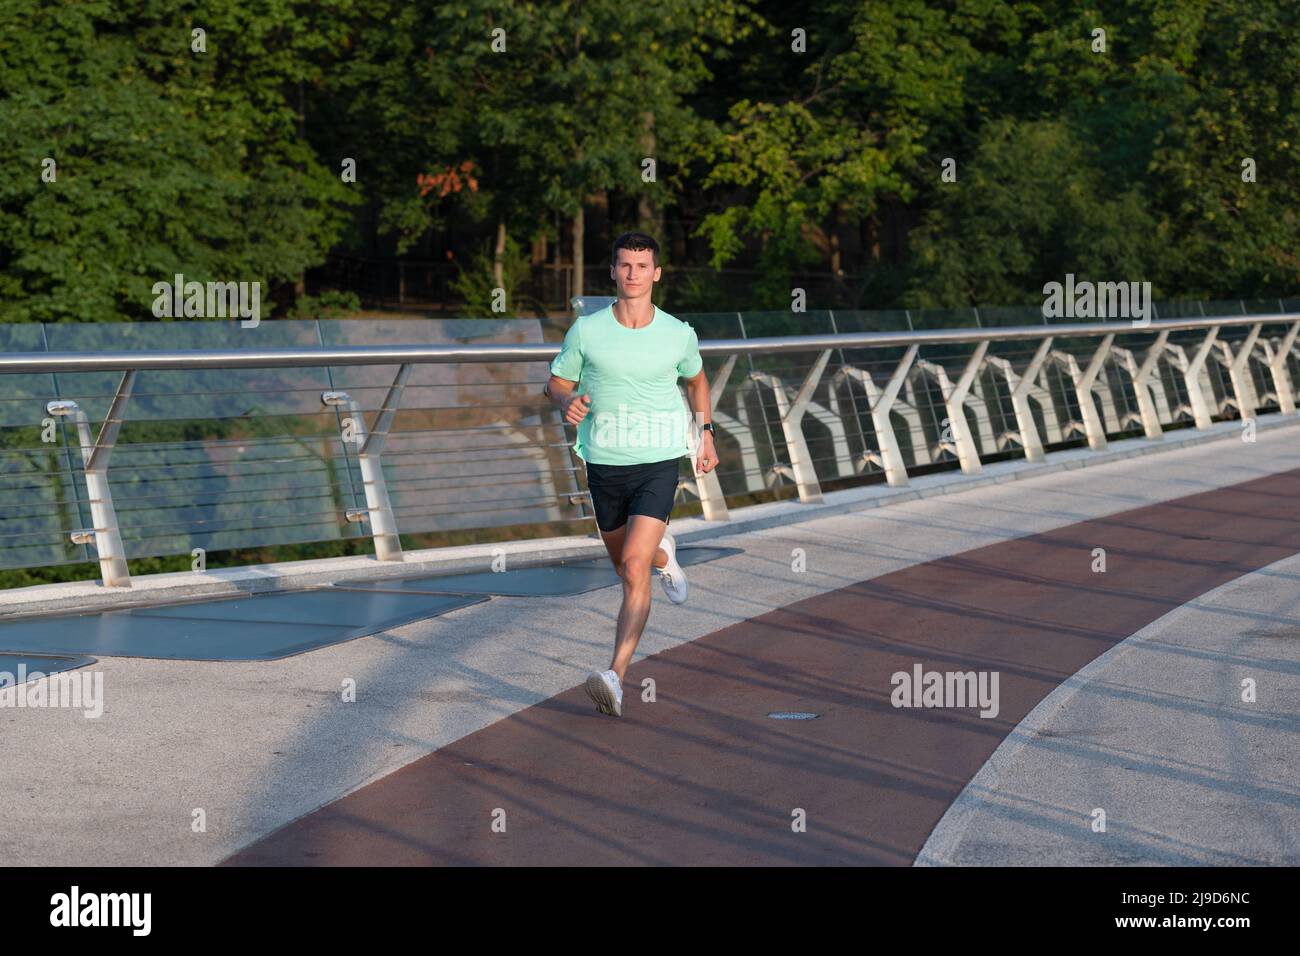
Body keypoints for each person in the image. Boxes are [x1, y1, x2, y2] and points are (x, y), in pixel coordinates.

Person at [545, 232, 718, 717]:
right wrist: (566, 400)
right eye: (625, 265)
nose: (634, 274)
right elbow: (556, 382)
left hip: (659, 460)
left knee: (634, 570)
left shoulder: (678, 332)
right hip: (604, 461)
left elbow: (697, 378)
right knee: (625, 564)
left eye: (643, 266)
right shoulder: (588, 331)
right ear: (614, 271)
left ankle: (615, 676)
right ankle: (665, 553)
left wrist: (705, 431)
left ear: (656, 273)